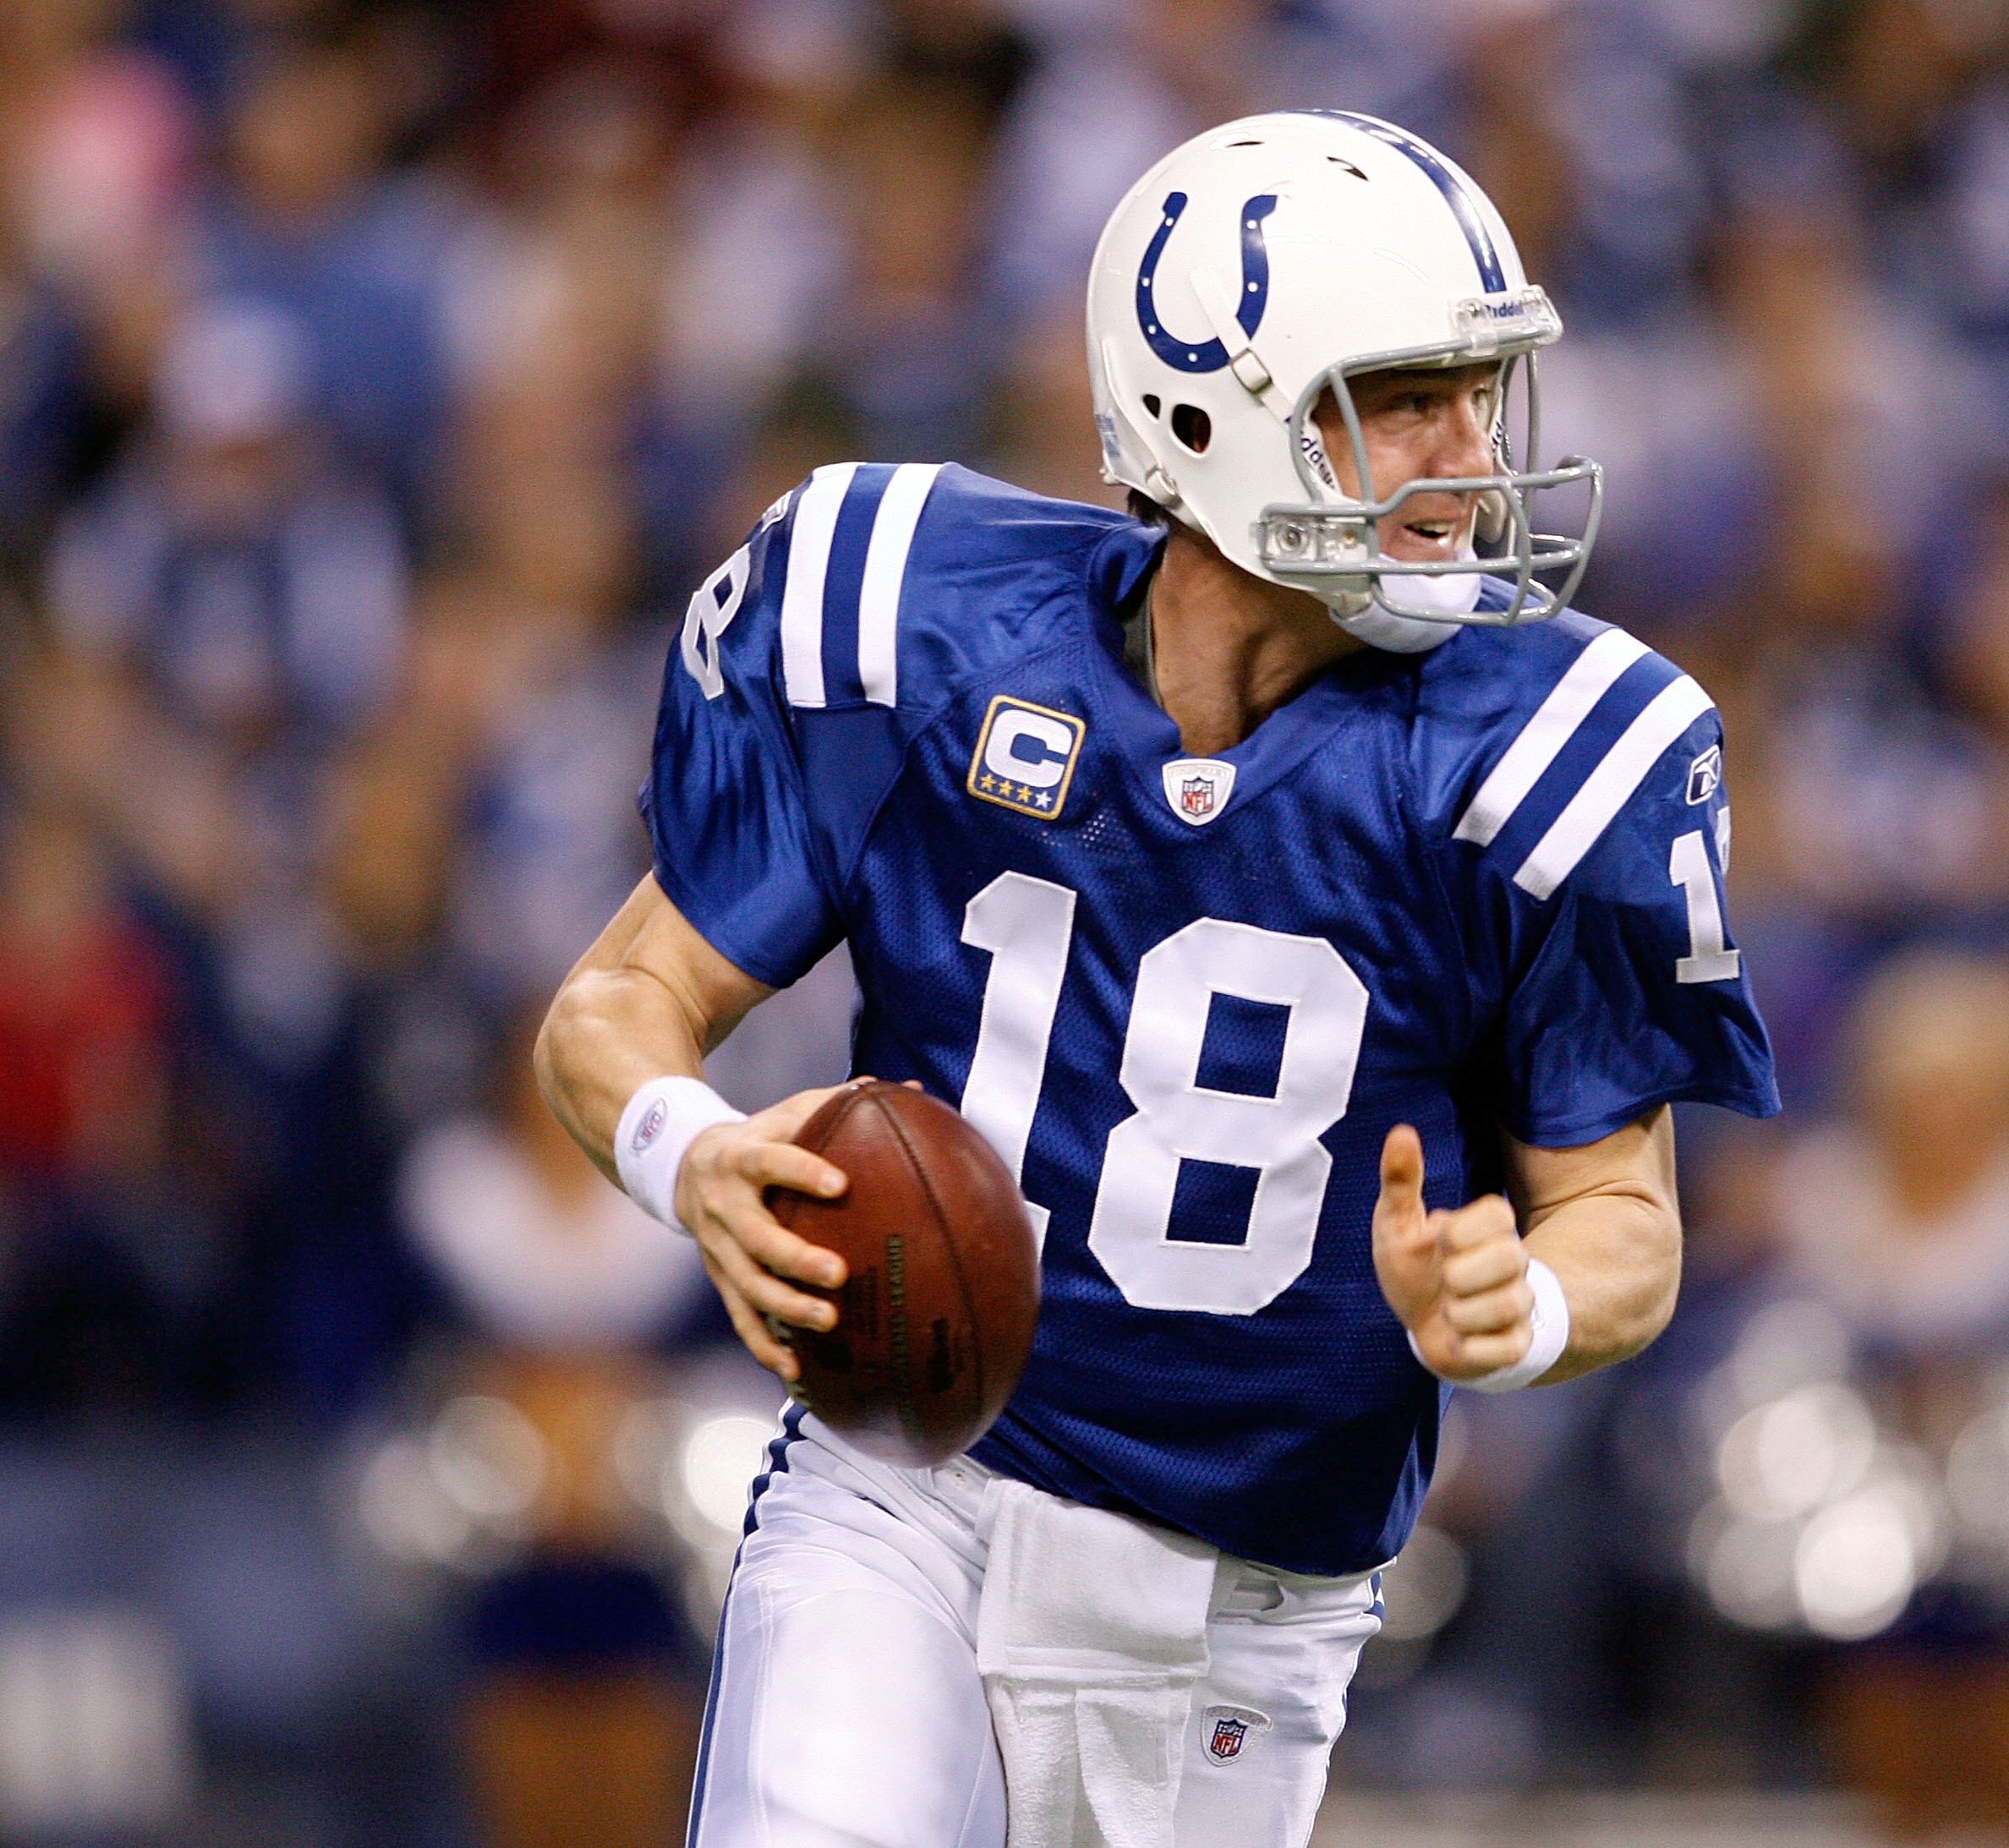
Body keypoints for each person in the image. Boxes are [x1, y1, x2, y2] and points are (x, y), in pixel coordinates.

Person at [536, 111, 1775, 1848]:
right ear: (1209, 411)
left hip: (1241, 1598)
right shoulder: (927, 626)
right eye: (1403, 394)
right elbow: (614, 1002)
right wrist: (690, 1150)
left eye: (1479, 389)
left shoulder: (1551, 751)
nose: (1468, 447)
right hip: (911, 1489)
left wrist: (1527, 1303)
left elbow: (1625, 1221)